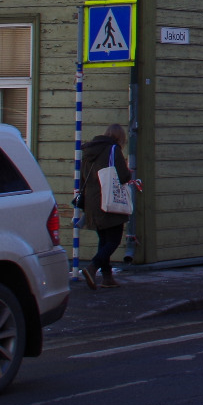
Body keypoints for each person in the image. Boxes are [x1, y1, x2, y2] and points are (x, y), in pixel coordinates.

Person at [81, 123, 135, 290]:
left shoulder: (88, 151)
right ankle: (93, 267)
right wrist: (129, 173)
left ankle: (107, 277)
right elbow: (122, 176)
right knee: (113, 240)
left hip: (91, 200)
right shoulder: (113, 150)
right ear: (120, 137)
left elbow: (83, 176)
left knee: (103, 239)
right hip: (109, 199)